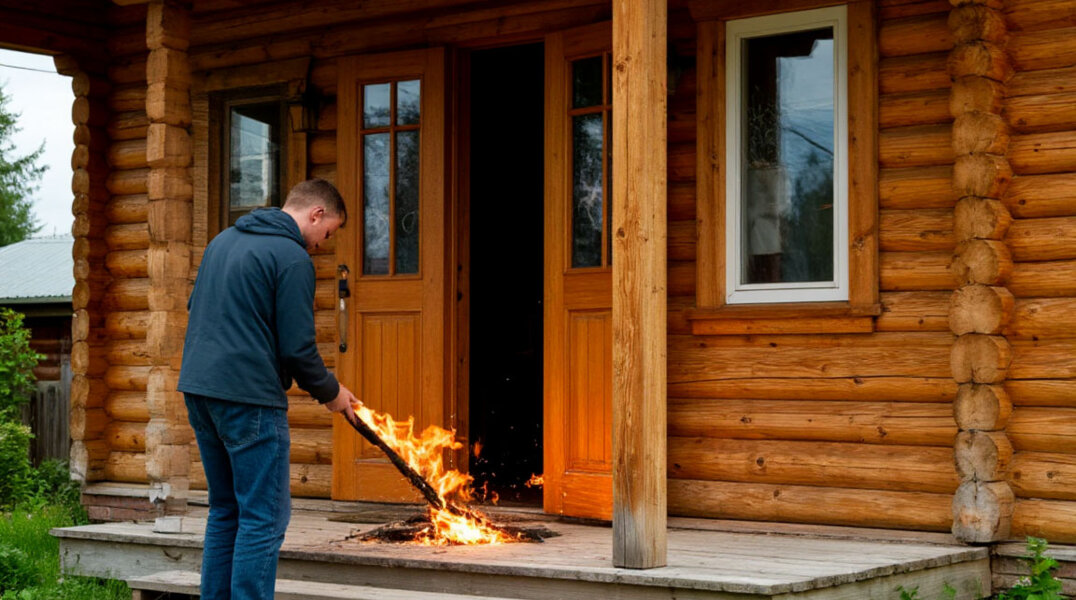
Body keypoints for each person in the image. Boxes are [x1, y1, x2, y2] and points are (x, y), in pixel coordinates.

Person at [178, 178, 358, 600]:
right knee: (264, 518)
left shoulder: (222, 242)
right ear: (315, 214)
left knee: (225, 510)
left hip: (199, 391)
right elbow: (297, 347)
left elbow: (197, 308)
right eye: (327, 233)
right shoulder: (292, 258)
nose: (321, 245)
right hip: (249, 399)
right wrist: (333, 393)